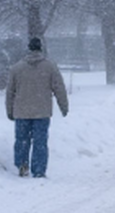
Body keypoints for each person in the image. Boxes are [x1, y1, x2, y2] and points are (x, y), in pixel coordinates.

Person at [5, 36, 69, 178]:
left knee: (22, 140)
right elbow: (59, 88)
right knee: (40, 142)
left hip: (21, 111)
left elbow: (10, 92)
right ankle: (39, 170)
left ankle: (22, 164)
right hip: (42, 111)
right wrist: (63, 106)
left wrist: (9, 110)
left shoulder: (16, 68)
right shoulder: (50, 67)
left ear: (29, 49)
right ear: (41, 48)